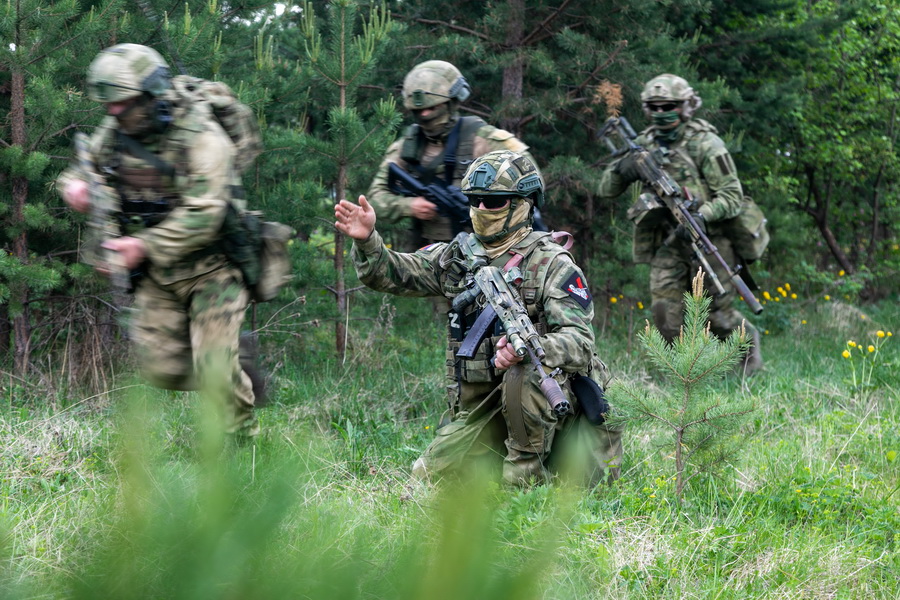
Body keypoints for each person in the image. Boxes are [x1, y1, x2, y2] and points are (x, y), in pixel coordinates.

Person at [337, 150, 622, 487]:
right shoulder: (459, 256)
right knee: (427, 480)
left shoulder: (552, 264)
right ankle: (496, 461)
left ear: (524, 203)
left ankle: (523, 482)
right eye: (476, 200)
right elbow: (395, 274)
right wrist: (369, 241)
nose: (482, 209)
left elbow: (580, 342)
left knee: (526, 373)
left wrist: (529, 348)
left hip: (558, 407)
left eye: (495, 201)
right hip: (486, 408)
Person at [57, 43, 263, 437]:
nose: (113, 113)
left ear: (151, 95)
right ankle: (235, 364)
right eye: (109, 106)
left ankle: (241, 447)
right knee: (162, 370)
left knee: (215, 368)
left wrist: (142, 246)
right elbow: (80, 171)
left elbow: (206, 214)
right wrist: (76, 188)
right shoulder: (117, 130)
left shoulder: (201, 136)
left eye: (124, 104)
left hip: (213, 268)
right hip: (158, 273)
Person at [597, 74, 763, 373]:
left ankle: (749, 371)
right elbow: (606, 190)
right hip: (668, 241)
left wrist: (703, 214)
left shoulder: (705, 143)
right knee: (665, 315)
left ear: (686, 106)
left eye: (669, 106)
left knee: (717, 315)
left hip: (709, 239)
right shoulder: (642, 145)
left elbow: (732, 196)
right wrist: (623, 169)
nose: (662, 113)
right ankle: (679, 382)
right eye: (654, 107)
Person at [367, 60, 545, 251]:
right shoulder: (406, 148)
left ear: (452, 101)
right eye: (419, 111)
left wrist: (490, 204)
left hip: (487, 252)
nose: (425, 114)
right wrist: (409, 205)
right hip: (426, 256)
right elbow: (375, 198)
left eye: (433, 108)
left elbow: (534, 185)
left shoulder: (484, 141)